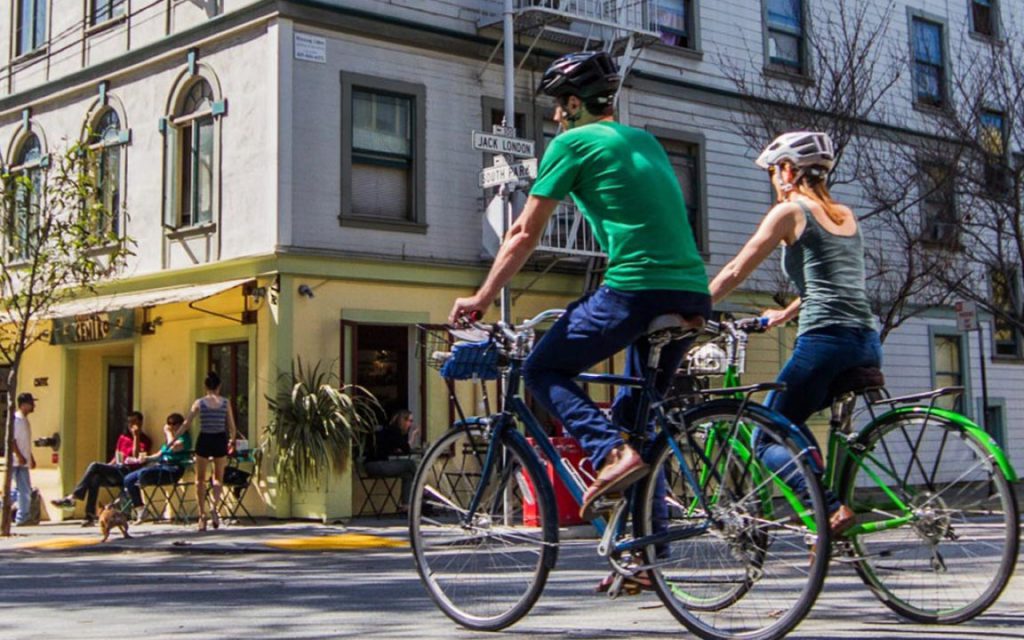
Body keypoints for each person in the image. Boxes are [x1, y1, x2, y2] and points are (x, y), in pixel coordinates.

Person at [449, 51, 711, 522]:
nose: (554, 115)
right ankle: (645, 557)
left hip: (636, 287)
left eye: (557, 105)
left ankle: (609, 454)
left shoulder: (570, 145)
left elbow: (524, 233)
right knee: (638, 420)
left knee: (542, 370)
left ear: (574, 103)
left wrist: (482, 297)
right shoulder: (646, 142)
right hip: (693, 291)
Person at [708, 131, 881, 535]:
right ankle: (824, 517)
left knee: (766, 436)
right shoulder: (847, 216)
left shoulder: (789, 212)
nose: (772, 180)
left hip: (825, 342)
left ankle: (828, 510)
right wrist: (786, 313)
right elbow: (838, 284)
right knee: (792, 422)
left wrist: (694, 308)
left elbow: (736, 269)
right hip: (865, 340)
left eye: (773, 172)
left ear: (787, 170)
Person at [51, 411, 152, 525]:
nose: (131, 424)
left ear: (140, 422)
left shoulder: (145, 440)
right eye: (129, 422)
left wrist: (136, 436)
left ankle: (73, 497)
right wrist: (107, 466)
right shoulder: (123, 437)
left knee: (94, 465)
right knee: (95, 478)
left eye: (134, 421)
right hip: (117, 469)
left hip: (128, 473)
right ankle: (89, 516)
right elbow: (116, 457)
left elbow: (136, 456)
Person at [173, 372, 237, 531]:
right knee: (218, 478)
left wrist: (175, 437)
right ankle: (214, 507)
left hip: (205, 439)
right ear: (219, 386)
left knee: (199, 479)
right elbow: (231, 426)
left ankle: (202, 515)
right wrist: (232, 439)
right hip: (220, 439)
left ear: (206, 387)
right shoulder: (225, 402)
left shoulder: (199, 403)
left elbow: (187, 423)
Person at [124, 413, 193, 523]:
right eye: (169, 424)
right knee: (129, 479)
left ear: (181, 425)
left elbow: (174, 447)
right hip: (161, 466)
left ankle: (143, 480)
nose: (172, 426)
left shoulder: (184, 438)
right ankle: (141, 509)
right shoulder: (169, 440)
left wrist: (168, 433)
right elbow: (158, 455)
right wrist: (145, 458)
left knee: (144, 474)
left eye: (174, 424)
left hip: (173, 470)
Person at [364, 410, 418, 512]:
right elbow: (407, 449)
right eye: (410, 421)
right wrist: (413, 436)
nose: (411, 424)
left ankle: (406, 505)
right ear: (403, 421)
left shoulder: (387, 430)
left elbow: (389, 445)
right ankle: (421, 488)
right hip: (377, 465)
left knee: (407, 474)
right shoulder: (395, 431)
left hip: (370, 465)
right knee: (410, 464)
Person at [10, 393, 37, 527]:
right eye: (31, 403)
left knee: (23, 490)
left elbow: (25, 442)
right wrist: (20, 456)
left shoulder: (24, 420)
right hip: (16, 461)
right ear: (24, 404)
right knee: (22, 490)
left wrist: (30, 457)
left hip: (23, 461)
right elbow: (12, 441)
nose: (34, 406)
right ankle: (22, 517)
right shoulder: (16, 420)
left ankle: (23, 517)